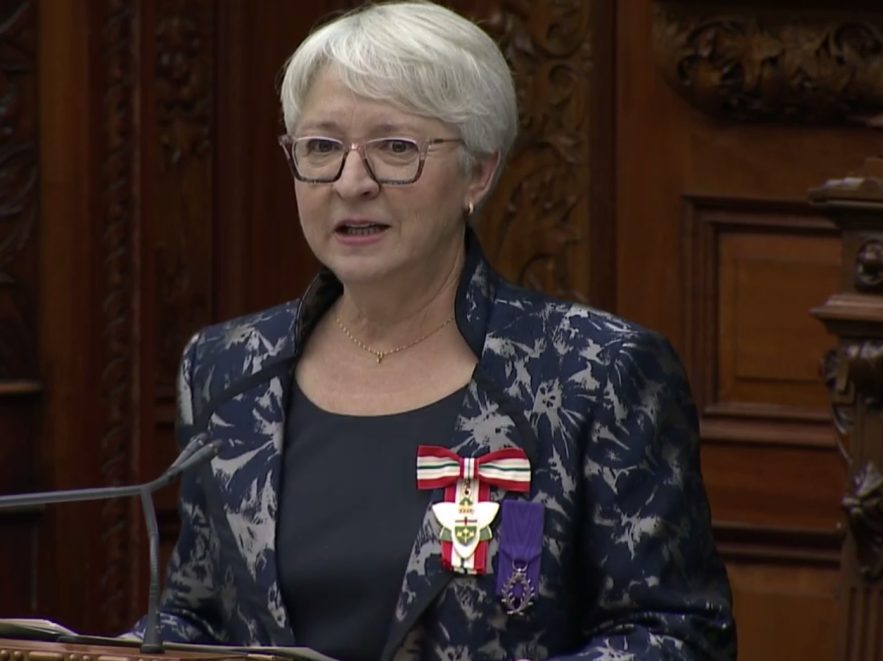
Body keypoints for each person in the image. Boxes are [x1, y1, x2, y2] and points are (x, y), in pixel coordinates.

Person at [131, 1, 736, 659]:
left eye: (396, 148)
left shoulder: (595, 371)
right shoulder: (230, 367)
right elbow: (195, 613)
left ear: (477, 171)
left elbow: (677, 635)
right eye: (322, 147)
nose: (351, 181)